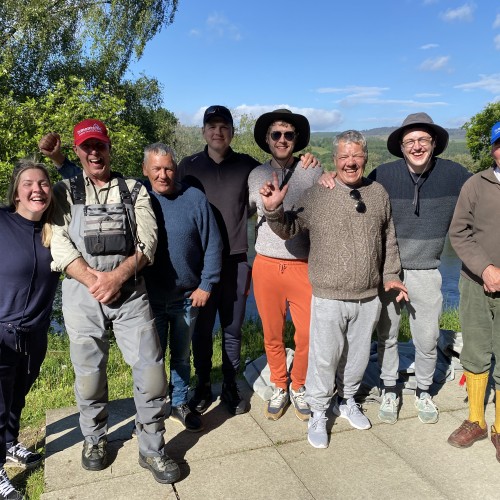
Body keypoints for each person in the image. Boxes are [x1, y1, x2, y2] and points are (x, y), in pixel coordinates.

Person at [48, 119, 180, 484]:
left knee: (153, 375)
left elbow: (148, 243)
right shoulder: (64, 191)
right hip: (82, 291)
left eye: (99, 146)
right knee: (89, 376)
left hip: (130, 290)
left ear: (109, 148)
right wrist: (95, 280)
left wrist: (117, 277)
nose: (94, 153)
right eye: (86, 147)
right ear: (77, 152)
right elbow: (58, 242)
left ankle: (152, 448)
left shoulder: (134, 189)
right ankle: (94, 439)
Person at [260, 130, 407, 449]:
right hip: (327, 295)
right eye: (343, 157)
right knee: (324, 359)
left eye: (356, 156)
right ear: (335, 160)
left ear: (365, 158)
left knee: (356, 359)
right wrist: (273, 210)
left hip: (368, 296)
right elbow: (289, 229)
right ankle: (318, 412)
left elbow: (389, 240)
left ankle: (348, 400)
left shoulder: (378, 193)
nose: (350, 163)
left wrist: (391, 275)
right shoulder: (318, 193)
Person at [322, 113, 471, 424]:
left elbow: (482, 200)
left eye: (422, 141)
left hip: (427, 271)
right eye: (410, 142)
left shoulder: (456, 175)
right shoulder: (384, 175)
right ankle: (389, 387)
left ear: (434, 144)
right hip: (388, 270)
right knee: (386, 336)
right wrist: (326, 177)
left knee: (427, 339)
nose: (416, 146)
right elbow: (352, 188)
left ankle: (424, 391)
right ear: (401, 147)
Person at [177, 105, 318, 416]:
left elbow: (280, 191)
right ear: (203, 132)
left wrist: (314, 163)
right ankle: (202, 385)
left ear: (232, 132)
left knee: (233, 328)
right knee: (200, 329)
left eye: (224, 126)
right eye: (211, 126)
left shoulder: (248, 167)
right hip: (198, 263)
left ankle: (231, 383)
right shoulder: (189, 166)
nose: (218, 132)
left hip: (237, 259)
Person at [141, 143, 222, 432]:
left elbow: (213, 242)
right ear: (145, 171)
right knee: (150, 359)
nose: (163, 175)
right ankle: (149, 409)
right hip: (148, 298)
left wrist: (206, 284)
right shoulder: (138, 197)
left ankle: (178, 402)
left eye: (168, 168)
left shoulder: (194, 198)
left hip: (187, 297)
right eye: (157, 169)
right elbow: (93, 176)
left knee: (181, 355)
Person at [248, 109, 322, 421]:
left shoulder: (311, 170)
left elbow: (323, 208)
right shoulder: (256, 175)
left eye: (288, 135)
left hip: (301, 265)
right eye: (276, 134)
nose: (282, 140)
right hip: (265, 264)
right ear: (267, 139)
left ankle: (300, 384)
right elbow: (256, 212)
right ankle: (279, 384)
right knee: (272, 332)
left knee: (306, 334)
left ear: (296, 140)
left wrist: (320, 166)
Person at [0, 159, 60, 500]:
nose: (37, 189)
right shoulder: (2, 221)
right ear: (17, 192)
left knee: (17, 395)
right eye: (29, 184)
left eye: (43, 183)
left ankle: (10, 444)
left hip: (35, 333)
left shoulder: (56, 231)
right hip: (1, 331)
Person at [447, 122, 500, 461]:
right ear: (493, 148)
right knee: (476, 350)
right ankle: (477, 420)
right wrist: (485, 268)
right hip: (476, 284)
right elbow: (459, 233)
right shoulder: (475, 185)